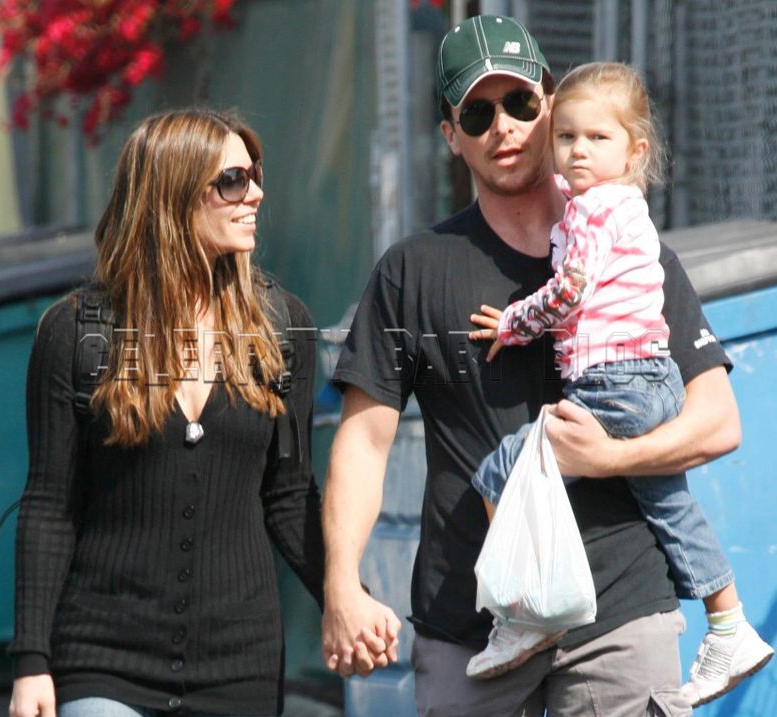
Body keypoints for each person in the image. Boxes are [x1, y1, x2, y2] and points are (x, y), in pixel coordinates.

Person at [321, 15, 748, 717]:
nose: (504, 127)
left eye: (521, 103)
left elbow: (717, 420)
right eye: (478, 113)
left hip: (620, 610)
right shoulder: (412, 270)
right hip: (474, 621)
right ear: (450, 135)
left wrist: (611, 456)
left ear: (551, 107)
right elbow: (364, 442)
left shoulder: (630, 247)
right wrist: (342, 582)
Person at [465, 61, 773, 699]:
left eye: (596, 139)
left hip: (613, 383)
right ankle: (728, 622)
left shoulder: (591, 213)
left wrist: (514, 324)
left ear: (636, 150)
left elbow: (568, 292)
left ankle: (520, 613)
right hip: (653, 378)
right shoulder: (631, 209)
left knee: (500, 472)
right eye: (567, 136)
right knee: (667, 504)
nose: (578, 150)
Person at [8, 109, 324, 717]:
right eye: (233, 180)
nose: (255, 192)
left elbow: (288, 497)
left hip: (239, 668)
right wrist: (31, 663)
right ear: (173, 196)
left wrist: (345, 597)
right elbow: (48, 506)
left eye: (255, 175)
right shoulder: (76, 331)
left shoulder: (280, 329)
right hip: (102, 659)